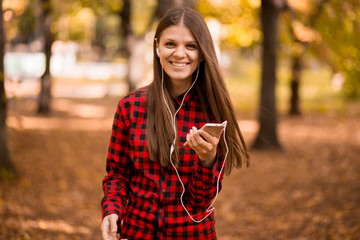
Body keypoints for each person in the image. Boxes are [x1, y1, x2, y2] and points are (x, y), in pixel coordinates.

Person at [101, 7, 249, 240]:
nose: (180, 54)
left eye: (190, 46)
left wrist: (207, 160)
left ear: (202, 53)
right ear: (157, 47)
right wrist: (111, 210)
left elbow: (200, 202)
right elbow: (117, 174)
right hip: (137, 232)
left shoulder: (213, 113)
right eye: (171, 44)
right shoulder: (130, 107)